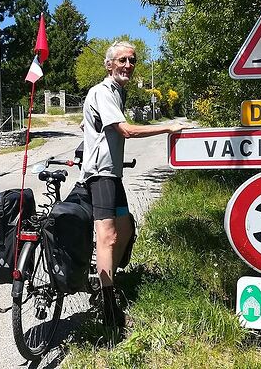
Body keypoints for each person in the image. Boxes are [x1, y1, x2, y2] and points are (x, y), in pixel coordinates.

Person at [80, 40, 189, 329]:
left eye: (132, 60)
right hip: (101, 174)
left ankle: (106, 278)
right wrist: (168, 126)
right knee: (108, 236)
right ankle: (107, 305)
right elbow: (125, 131)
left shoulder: (116, 93)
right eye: (122, 60)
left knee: (126, 228)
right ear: (109, 64)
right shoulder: (103, 91)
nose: (128, 65)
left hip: (111, 174)